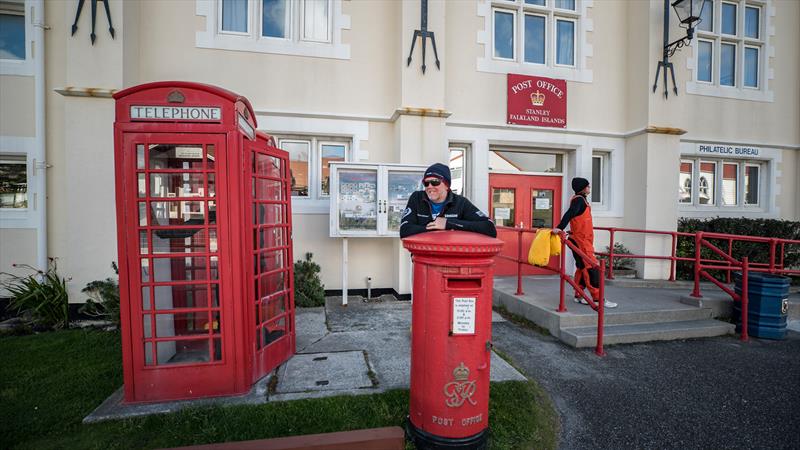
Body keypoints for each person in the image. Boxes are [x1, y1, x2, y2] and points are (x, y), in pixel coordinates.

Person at [553, 177, 617, 308]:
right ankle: (598, 299)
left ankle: (579, 295)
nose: (589, 188)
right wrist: (560, 227)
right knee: (592, 269)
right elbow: (569, 214)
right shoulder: (579, 201)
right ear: (582, 188)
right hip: (581, 242)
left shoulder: (581, 200)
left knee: (582, 268)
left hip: (582, 240)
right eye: (588, 186)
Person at [400, 163, 497, 238]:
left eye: (435, 182)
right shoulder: (417, 198)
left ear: (447, 185)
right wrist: (436, 228)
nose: (430, 187)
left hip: (451, 258)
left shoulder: (460, 202)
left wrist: (449, 223)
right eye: (426, 183)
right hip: (423, 256)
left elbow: (489, 228)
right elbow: (405, 230)